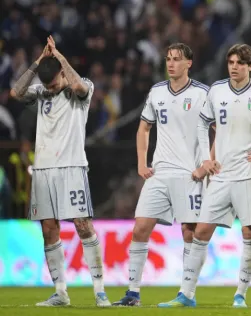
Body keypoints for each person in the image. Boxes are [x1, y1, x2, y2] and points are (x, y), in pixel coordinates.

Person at [158, 43, 251, 308]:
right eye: (231, 62)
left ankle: (240, 295)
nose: (234, 67)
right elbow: (203, 123)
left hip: (249, 174)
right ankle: (186, 294)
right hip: (221, 175)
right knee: (201, 231)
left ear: (250, 66)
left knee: (249, 232)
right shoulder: (217, 90)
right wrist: (205, 158)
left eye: (239, 63)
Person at [112, 43, 218, 306]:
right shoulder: (157, 92)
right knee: (140, 229)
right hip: (159, 172)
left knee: (189, 233)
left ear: (189, 63)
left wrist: (207, 163)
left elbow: (222, 131)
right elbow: (144, 128)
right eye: (168, 59)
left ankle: (187, 294)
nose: (171, 64)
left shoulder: (203, 94)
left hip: (189, 174)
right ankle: (133, 293)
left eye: (177, 59)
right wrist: (141, 162)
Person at [10, 36, 111, 307]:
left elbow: (76, 85)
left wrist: (61, 58)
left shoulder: (81, 89)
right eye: (46, 84)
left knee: (82, 224)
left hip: (72, 166)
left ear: (62, 74)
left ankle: (100, 291)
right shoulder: (42, 91)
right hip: (43, 168)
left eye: (53, 82)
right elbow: (16, 93)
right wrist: (38, 62)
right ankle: (61, 292)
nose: (50, 88)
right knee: (48, 229)